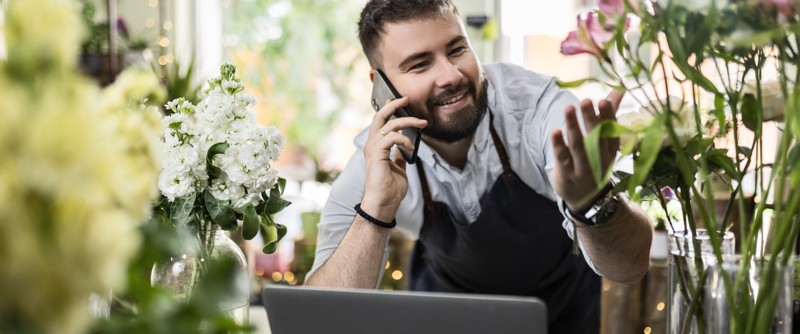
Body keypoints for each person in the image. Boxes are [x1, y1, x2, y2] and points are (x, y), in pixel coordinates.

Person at [304, 0, 653, 332]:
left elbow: (630, 266)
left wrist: (590, 199)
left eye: (457, 49)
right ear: (381, 85)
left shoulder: (540, 111)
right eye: (420, 64)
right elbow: (317, 322)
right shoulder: (375, 160)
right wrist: (376, 210)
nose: (451, 75)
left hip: (563, 319)